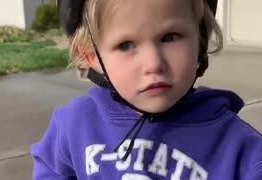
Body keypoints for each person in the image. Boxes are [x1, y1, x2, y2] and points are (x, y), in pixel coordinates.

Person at [31, 0, 262, 179]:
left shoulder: (241, 152)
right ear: (90, 55)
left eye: (169, 37)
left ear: (200, 39)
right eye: (126, 45)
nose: (153, 64)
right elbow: (52, 166)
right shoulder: (75, 126)